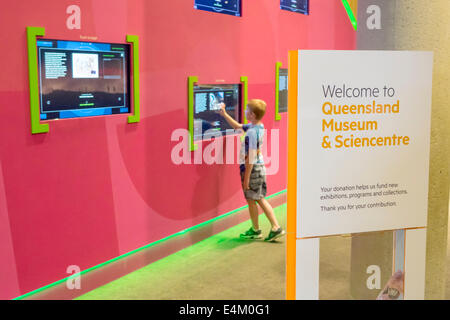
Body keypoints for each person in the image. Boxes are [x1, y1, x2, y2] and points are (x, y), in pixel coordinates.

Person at [219, 99, 285, 241]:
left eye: (247, 110)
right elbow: (238, 126)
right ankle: (257, 229)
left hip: (252, 170)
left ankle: (275, 227)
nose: (244, 111)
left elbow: (251, 157)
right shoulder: (257, 127)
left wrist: (246, 178)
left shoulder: (252, 133)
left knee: (258, 199)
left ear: (252, 115)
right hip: (259, 169)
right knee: (254, 199)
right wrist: (224, 114)